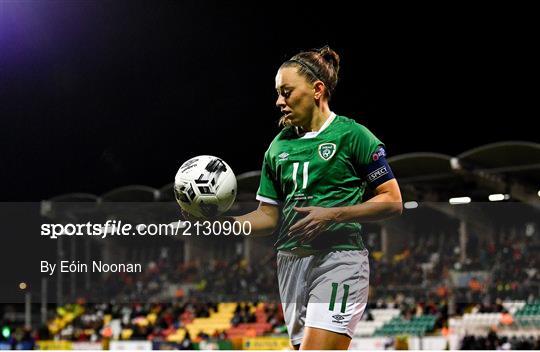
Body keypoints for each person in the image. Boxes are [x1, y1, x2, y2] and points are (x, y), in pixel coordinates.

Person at [188, 45, 402, 349]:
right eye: (278, 93)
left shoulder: (352, 136)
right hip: (290, 266)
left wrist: (334, 214)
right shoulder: (277, 148)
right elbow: (267, 216)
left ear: (317, 90)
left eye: (286, 92)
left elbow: (393, 200)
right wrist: (221, 223)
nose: (279, 101)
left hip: (339, 260)